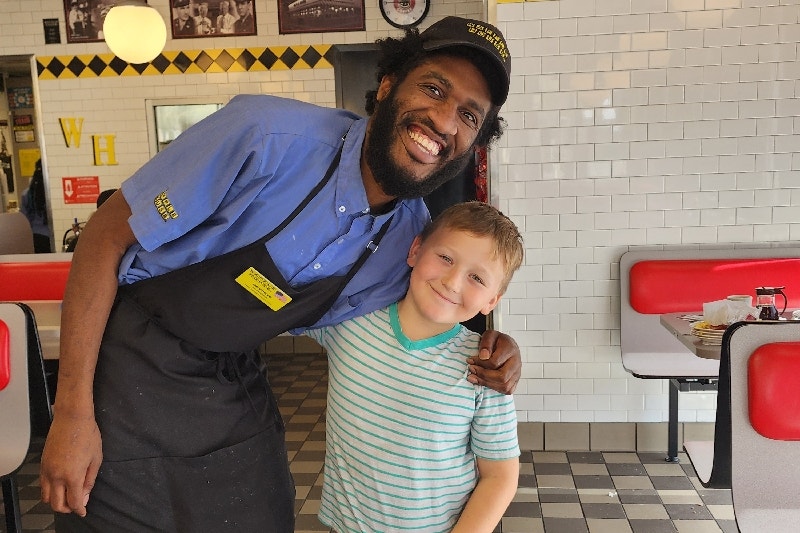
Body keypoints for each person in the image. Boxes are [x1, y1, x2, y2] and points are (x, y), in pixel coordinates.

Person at [40, 15, 519, 533]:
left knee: (262, 512)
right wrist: (70, 412)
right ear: (386, 86)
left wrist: (493, 348)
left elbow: (431, 314)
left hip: (230, 375)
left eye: (469, 116)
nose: (445, 121)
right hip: (129, 359)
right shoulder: (264, 136)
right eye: (433, 88)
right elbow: (102, 238)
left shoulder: (410, 238)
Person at [307, 201, 522, 532]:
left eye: (477, 277)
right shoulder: (351, 321)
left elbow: (500, 475)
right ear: (416, 250)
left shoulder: (484, 369)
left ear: (491, 301)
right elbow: (282, 309)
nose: (452, 282)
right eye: (446, 258)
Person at [20, 159, 52, 253]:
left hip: (35, 236)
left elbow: (25, 219)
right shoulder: (52, 196)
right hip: (49, 236)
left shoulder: (26, 194)